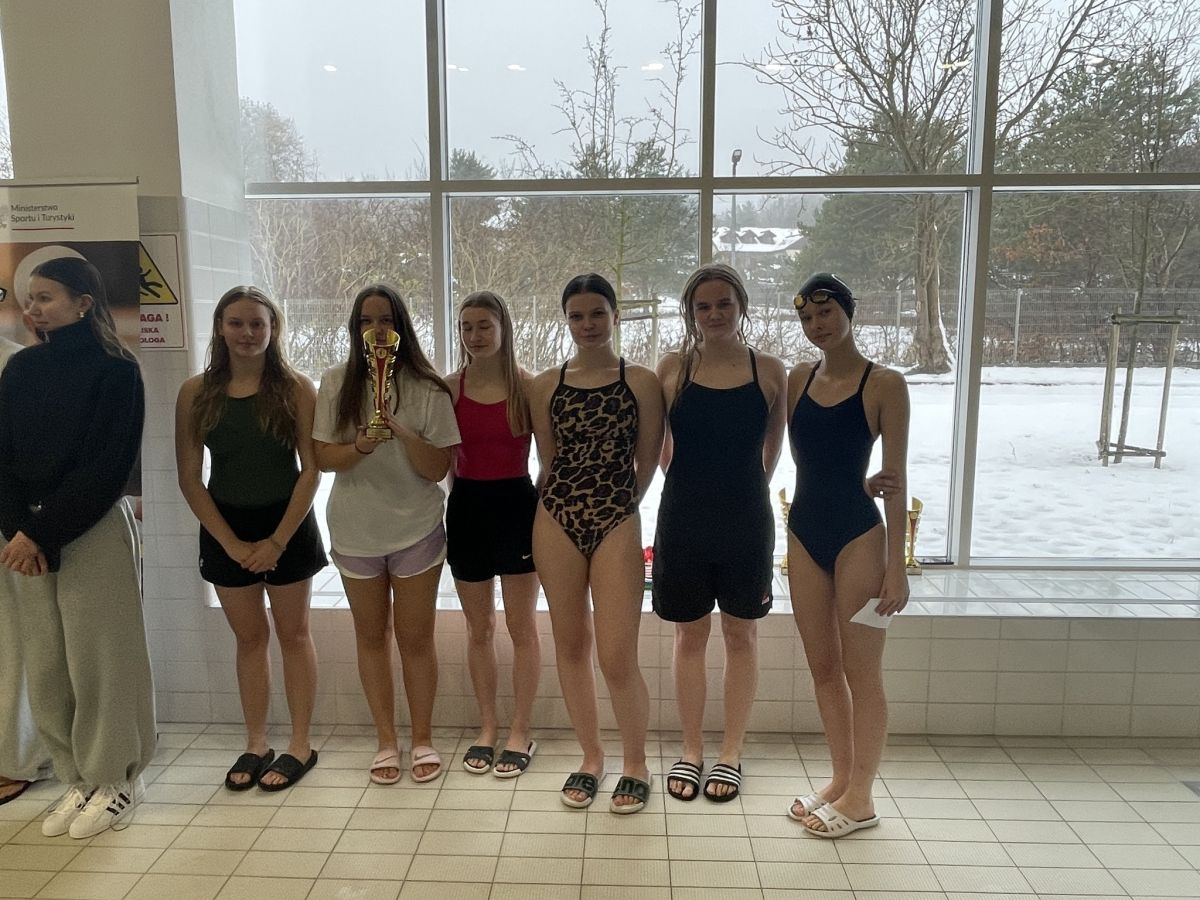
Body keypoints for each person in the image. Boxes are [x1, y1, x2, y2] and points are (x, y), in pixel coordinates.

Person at [0, 257, 155, 838]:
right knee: (47, 663)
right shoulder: (21, 369)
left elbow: (107, 467)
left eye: (46, 297)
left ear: (84, 302)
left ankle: (115, 778)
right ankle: (77, 777)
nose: (33, 308)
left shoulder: (117, 370)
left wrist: (40, 533)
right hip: (25, 537)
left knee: (101, 660)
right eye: (30, 298)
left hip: (89, 528)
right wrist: (18, 529)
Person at [175, 286, 326, 791]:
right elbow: (190, 478)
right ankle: (257, 742)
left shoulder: (296, 388)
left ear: (273, 328)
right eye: (236, 323)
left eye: (257, 323)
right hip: (226, 528)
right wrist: (232, 544)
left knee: (294, 635)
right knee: (249, 639)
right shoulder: (195, 392)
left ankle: (300, 744)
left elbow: (311, 471)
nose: (247, 333)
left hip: (288, 526)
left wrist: (277, 542)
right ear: (220, 328)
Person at [313, 284, 460, 785]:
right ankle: (385, 740)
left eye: (386, 319)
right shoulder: (335, 382)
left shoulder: (429, 388)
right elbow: (322, 457)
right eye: (366, 320)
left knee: (416, 639)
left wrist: (400, 429)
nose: (376, 329)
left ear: (402, 326)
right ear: (354, 328)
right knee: (371, 637)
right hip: (356, 531)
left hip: (415, 528)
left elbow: (437, 468)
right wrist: (359, 446)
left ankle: (423, 737)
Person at [529, 273, 664, 814]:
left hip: (617, 517)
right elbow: (548, 459)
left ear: (615, 315)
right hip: (555, 517)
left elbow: (648, 458)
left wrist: (619, 505)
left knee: (616, 655)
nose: (587, 325)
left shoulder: (642, 381)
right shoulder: (545, 384)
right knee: (570, 646)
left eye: (597, 314)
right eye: (577, 316)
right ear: (567, 320)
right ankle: (591, 757)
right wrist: (571, 501)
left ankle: (636, 763)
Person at [653, 264, 787, 803]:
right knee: (688, 636)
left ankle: (730, 752)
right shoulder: (672, 368)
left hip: (746, 518)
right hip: (683, 517)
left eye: (724, 304)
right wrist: (691, 485)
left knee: (741, 634)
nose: (714, 314)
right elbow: (660, 446)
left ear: (741, 306)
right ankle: (691, 749)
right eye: (703, 306)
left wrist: (746, 489)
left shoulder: (769, 370)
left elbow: (773, 447)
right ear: (690, 312)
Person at [785, 272, 910, 838]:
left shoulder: (885, 384)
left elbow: (896, 481)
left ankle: (862, 797)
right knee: (822, 667)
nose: (817, 325)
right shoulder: (798, 379)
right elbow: (821, 464)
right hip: (804, 530)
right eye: (808, 318)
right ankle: (840, 779)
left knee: (863, 672)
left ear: (848, 312)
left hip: (860, 537)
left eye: (826, 313)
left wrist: (896, 570)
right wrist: (857, 483)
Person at [446, 291, 541, 777]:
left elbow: (549, 459)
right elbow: (445, 461)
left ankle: (520, 729)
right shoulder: (450, 387)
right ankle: (488, 726)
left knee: (521, 628)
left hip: (517, 506)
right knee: (479, 628)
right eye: (466, 327)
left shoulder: (529, 387)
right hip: (467, 508)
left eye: (484, 325)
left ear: (503, 328)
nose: (475, 335)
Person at [0, 333, 52, 807]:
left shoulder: (16, 364)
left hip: (13, 526)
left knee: (15, 639)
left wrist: (23, 530)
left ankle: (16, 756)